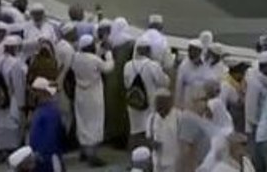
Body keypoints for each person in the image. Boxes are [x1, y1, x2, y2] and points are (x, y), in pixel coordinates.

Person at [70, 34, 115, 165]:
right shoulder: (94, 60)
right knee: (94, 123)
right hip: (93, 95)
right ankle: (92, 156)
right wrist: (109, 54)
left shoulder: (76, 57)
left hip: (80, 94)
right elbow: (108, 68)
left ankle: (84, 151)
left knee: (82, 122)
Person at [125, 40, 171, 149]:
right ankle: (146, 155)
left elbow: (126, 84)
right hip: (150, 103)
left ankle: (134, 155)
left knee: (134, 130)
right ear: (148, 51)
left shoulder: (127, 65)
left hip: (134, 102)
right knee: (149, 129)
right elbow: (163, 82)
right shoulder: (153, 65)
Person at [28, 77, 66, 172]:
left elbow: (50, 138)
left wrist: (39, 155)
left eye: (35, 91)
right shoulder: (40, 110)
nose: (32, 94)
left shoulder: (50, 112)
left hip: (48, 160)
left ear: (42, 93)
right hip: (40, 159)